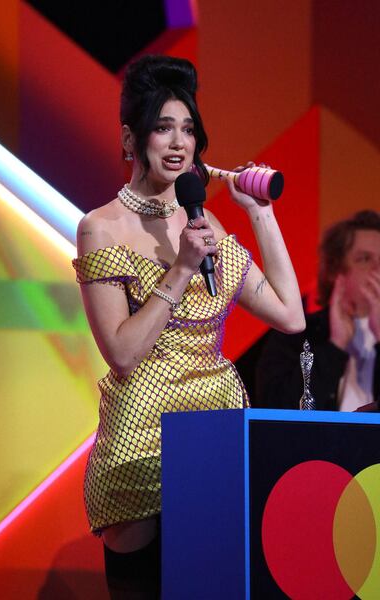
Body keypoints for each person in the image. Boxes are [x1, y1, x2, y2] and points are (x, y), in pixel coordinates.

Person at [72, 54, 305, 598]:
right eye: (162, 128)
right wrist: (179, 270)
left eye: (188, 129)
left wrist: (259, 213)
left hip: (215, 430)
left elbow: (289, 314)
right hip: (141, 438)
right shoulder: (100, 227)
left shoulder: (205, 221)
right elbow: (122, 354)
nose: (179, 143)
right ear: (130, 139)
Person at [255, 210, 380, 412]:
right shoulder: (295, 334)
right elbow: (278, 409)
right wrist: (335, 347)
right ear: (335, 271)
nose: (377, 269)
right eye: (365, 259)